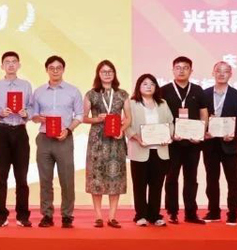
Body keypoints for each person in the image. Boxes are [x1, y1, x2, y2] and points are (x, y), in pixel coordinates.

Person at [31, 55, 83, 228]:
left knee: (67, 179)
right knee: (45, 180)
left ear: (63, 69)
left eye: (58, 68)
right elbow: (33, 116)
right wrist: (38, 118)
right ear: (46, 70)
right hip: (44, 139)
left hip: (64, 139)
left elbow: (79, 115)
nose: (55, 71)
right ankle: (47, 215)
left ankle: (67, 215)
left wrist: (68, 130)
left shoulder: (73, 91)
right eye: (51, 68)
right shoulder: (38, 92)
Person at [0, 51, 33, 227]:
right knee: (1, 176)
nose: (11, 64)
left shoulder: (26, 85)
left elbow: (32, 108)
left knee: (22, 176)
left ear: (19, 65)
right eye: (7, 62)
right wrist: (0, 113)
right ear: (2, 66)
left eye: (14, 61)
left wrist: (26, 113)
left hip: (20, 131)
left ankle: (22, 215)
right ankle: (1, 215)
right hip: (1, 132)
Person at [161, 56, 208, 224]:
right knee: (171, 177)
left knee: (191, 178)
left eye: (185, 68)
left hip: (193, 143)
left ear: (191, 71)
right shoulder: (164, 90)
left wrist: (201, 133)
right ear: (173, 70)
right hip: (172, 142)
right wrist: (168, 134)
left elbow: (203, 113)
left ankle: (191, 213)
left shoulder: (198, 90)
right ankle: (172, 212)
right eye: (178, 68)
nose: (181, 71)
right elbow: (160, 115)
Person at [83, 60, 129, 228]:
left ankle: (112, 216)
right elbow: (83, 117)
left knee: (115, 176)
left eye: (110, 71)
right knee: (96, 177)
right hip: (97, 141)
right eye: (104, 71)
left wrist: (121, 130)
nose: (107, 74)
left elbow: (128, 118)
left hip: (116, 140)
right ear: (99, 74)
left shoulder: (122, 94)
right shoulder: (91, 94)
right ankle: (98, 216)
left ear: (114, 74)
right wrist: (97, 119)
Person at [202, 61, 237, 226]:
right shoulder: (204, 94)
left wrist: (234, 135)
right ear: (213, 73)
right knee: (211, 180)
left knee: (232, 180)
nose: (221, 74)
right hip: (210, 144)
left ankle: (233, 213)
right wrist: (203, 132)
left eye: (225, 71)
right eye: (218, 71)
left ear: (230, 74)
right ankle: (213, 211)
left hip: (229, 145)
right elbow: (199, 117)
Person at [126, 73, 173, 227]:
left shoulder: (162, 103)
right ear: (139, 86)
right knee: (139, 185)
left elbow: (170, 122)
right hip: (139, 150)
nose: (149, 86)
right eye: (145, 84)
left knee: (156, 185)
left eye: (152, 84)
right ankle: (140, 215)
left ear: (156, 87)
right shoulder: (131, 103)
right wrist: (137, 137)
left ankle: (154, 215)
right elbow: (126, 125)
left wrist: (168, 135)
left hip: (160, 150)